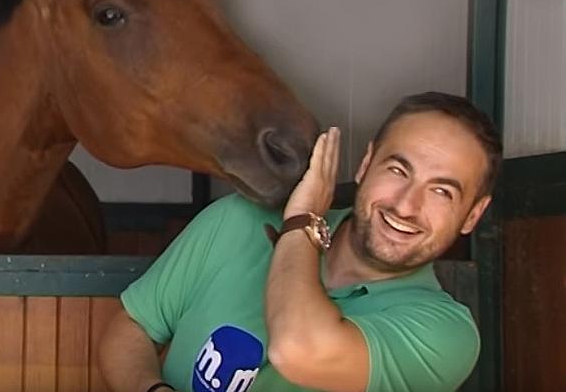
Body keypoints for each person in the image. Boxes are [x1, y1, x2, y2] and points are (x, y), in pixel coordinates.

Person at [99, 92, 501, 392]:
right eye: (398, 170)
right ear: (365, 164)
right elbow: (133, 324)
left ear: (473, 215)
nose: (406, 206)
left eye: (442, 192)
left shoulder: (444, 334)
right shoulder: (238, 221)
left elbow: (295, 348)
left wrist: (302, 221)